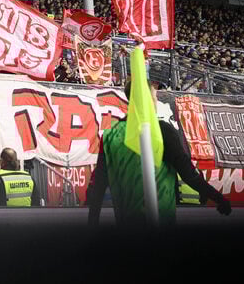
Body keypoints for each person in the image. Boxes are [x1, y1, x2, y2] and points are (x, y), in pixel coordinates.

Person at [85, 75, 232, 226]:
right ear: (147, 98)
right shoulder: (161, 130)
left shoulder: (109, 135)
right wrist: (219, 199)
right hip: (161, 224)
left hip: (125, 228)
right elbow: (188, 174)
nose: (156, 101)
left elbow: (99, 184)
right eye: (155, 96)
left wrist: (92, 222)